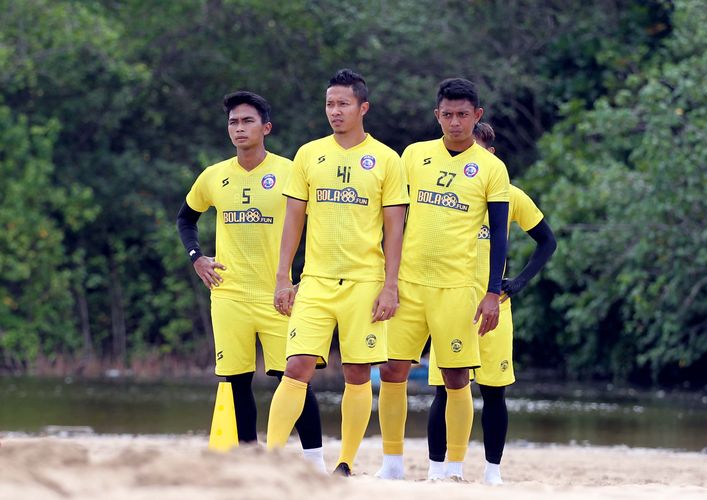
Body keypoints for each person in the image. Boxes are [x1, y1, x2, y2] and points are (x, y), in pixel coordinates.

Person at [265, 69, 409, 477]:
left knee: (358, 371)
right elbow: (293, 219)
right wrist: (282, 276)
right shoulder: (309, 154)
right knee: (296, 366)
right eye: (330, 103)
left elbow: (394, 227)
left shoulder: (386, 159)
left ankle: (345, 462)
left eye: (343, 103)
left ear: (363, 107)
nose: (335, 111)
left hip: (365, 282)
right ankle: (269, 457)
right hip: (315, 280)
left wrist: (390, 286)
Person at [176, 91, 324, 470]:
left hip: (279, 295)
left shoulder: (291, 171)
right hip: (228, 295)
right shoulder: (214, 176)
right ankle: (250, 462)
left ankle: (315, 465)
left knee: (293, 378)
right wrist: (197, 258)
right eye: (233, 123)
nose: (239, 129)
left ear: (266, 128)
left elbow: (321, 223)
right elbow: (185, 218)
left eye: (247, 121)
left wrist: (305, 278)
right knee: (237, 381)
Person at [376, 79, 510, 481]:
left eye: (463, 115)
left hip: (457, 289)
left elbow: (500, 236)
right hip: (409, 284)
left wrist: (492, 291)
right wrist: (388, 279)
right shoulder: (414, 156)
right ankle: (392, 464)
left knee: (455, 377)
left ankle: (448, 469)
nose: (455, 122)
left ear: (477, 116)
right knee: (392, 370)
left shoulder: (491, 168)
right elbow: (393, 217)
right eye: (447, 114)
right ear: (437, 115)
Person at [426, 122, 557, 484]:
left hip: (494, 306)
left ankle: (492, 472)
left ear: (491, 155)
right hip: (450, 301)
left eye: (478, 152)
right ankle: (439, 469)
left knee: (494, 392)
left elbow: (547, 241)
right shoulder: (443, 191)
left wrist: (517, 283)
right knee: (445, 389)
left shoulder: (511, 195)